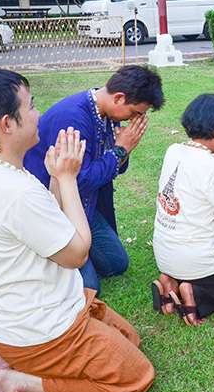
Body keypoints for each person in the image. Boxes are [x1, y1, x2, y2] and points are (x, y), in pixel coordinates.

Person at [0, 69, 154, 392]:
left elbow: (46, 216)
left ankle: (8, 357)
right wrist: (67, 179)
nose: (39, 115)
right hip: (42, 330)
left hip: (33, 313)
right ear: (7, 124)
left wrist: (55, 178)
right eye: (31, 107)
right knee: (137, 376)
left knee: (130, 338)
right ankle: (16, 382)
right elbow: (77, 254)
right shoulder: (15, 191)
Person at [24, 65, 164, 295]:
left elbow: (112, 167)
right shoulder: (72, 119)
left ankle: (77, 254)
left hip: (84, 206)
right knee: (89, 289)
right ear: (118, 98)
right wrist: (120, 150)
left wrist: (122, 151)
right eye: (135, 113)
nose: (135, 119)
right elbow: (77, 181)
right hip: (54, 207)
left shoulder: (107, 113)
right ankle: (54, 257)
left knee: (117, 263)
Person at [151, 94, 214, 327]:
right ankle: (195, 293)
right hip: (199, 261)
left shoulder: (173, 150)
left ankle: (173, 281)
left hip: (164, 255)